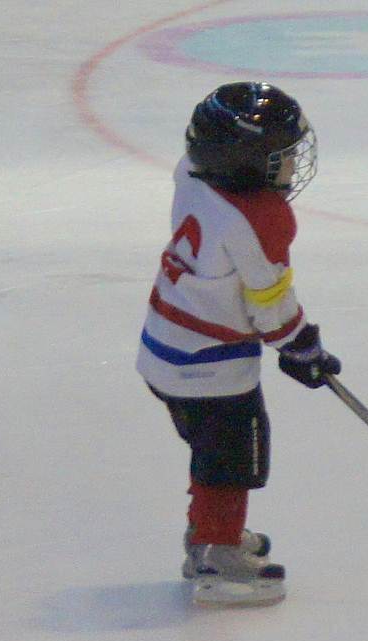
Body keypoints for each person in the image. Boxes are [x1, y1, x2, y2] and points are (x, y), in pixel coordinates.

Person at [136, 82, 341, 606]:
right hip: (208, 366)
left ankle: (208, 531)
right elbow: (269, 304)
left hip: (163, 347)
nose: (292, 164)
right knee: (233, 459)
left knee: (210, 452)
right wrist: (301, 347)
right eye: (281, 155)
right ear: (246, 162)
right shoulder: (260, 218)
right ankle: (217, 554)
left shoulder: (192, 172)